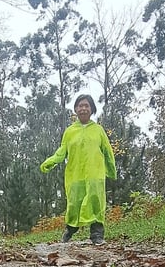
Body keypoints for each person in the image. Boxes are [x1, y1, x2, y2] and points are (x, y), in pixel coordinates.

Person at [40, 93, 116, 245]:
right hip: (75, 174)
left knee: (95, 201)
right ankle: (70, 229)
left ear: (92, 109)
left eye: (86, 105)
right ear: (75, 109)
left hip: (95, 173)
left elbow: (108, 151)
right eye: (80, 106)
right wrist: (51, 162)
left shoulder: (98, 130)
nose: (83, 109)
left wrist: (111, 171)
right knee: (74, 202)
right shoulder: (69, 131)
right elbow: (62, 151)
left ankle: (97, 235)